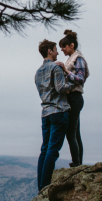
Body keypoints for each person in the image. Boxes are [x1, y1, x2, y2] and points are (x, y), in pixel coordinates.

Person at [35, 39, 76, 191]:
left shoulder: (38, 72)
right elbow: (60, 88)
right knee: (53, 150)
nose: (58, 52)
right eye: (55, 49)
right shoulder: (56, 68)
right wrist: (74, 85)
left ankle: (41, 186)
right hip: (59, 111)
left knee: (45, 150)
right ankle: (45, 187)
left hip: (45, 113)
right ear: (50, 51)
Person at [55, 30, 90, 167]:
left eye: (64, 47)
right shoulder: (71, 58)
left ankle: (76, 163)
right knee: (76, 133)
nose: (62, 50)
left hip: (75, 98)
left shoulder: (78, 58)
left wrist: (65, 70)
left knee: (71, 133)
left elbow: (80, 79)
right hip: (71, 99)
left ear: (71, 45)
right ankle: (78, 162)